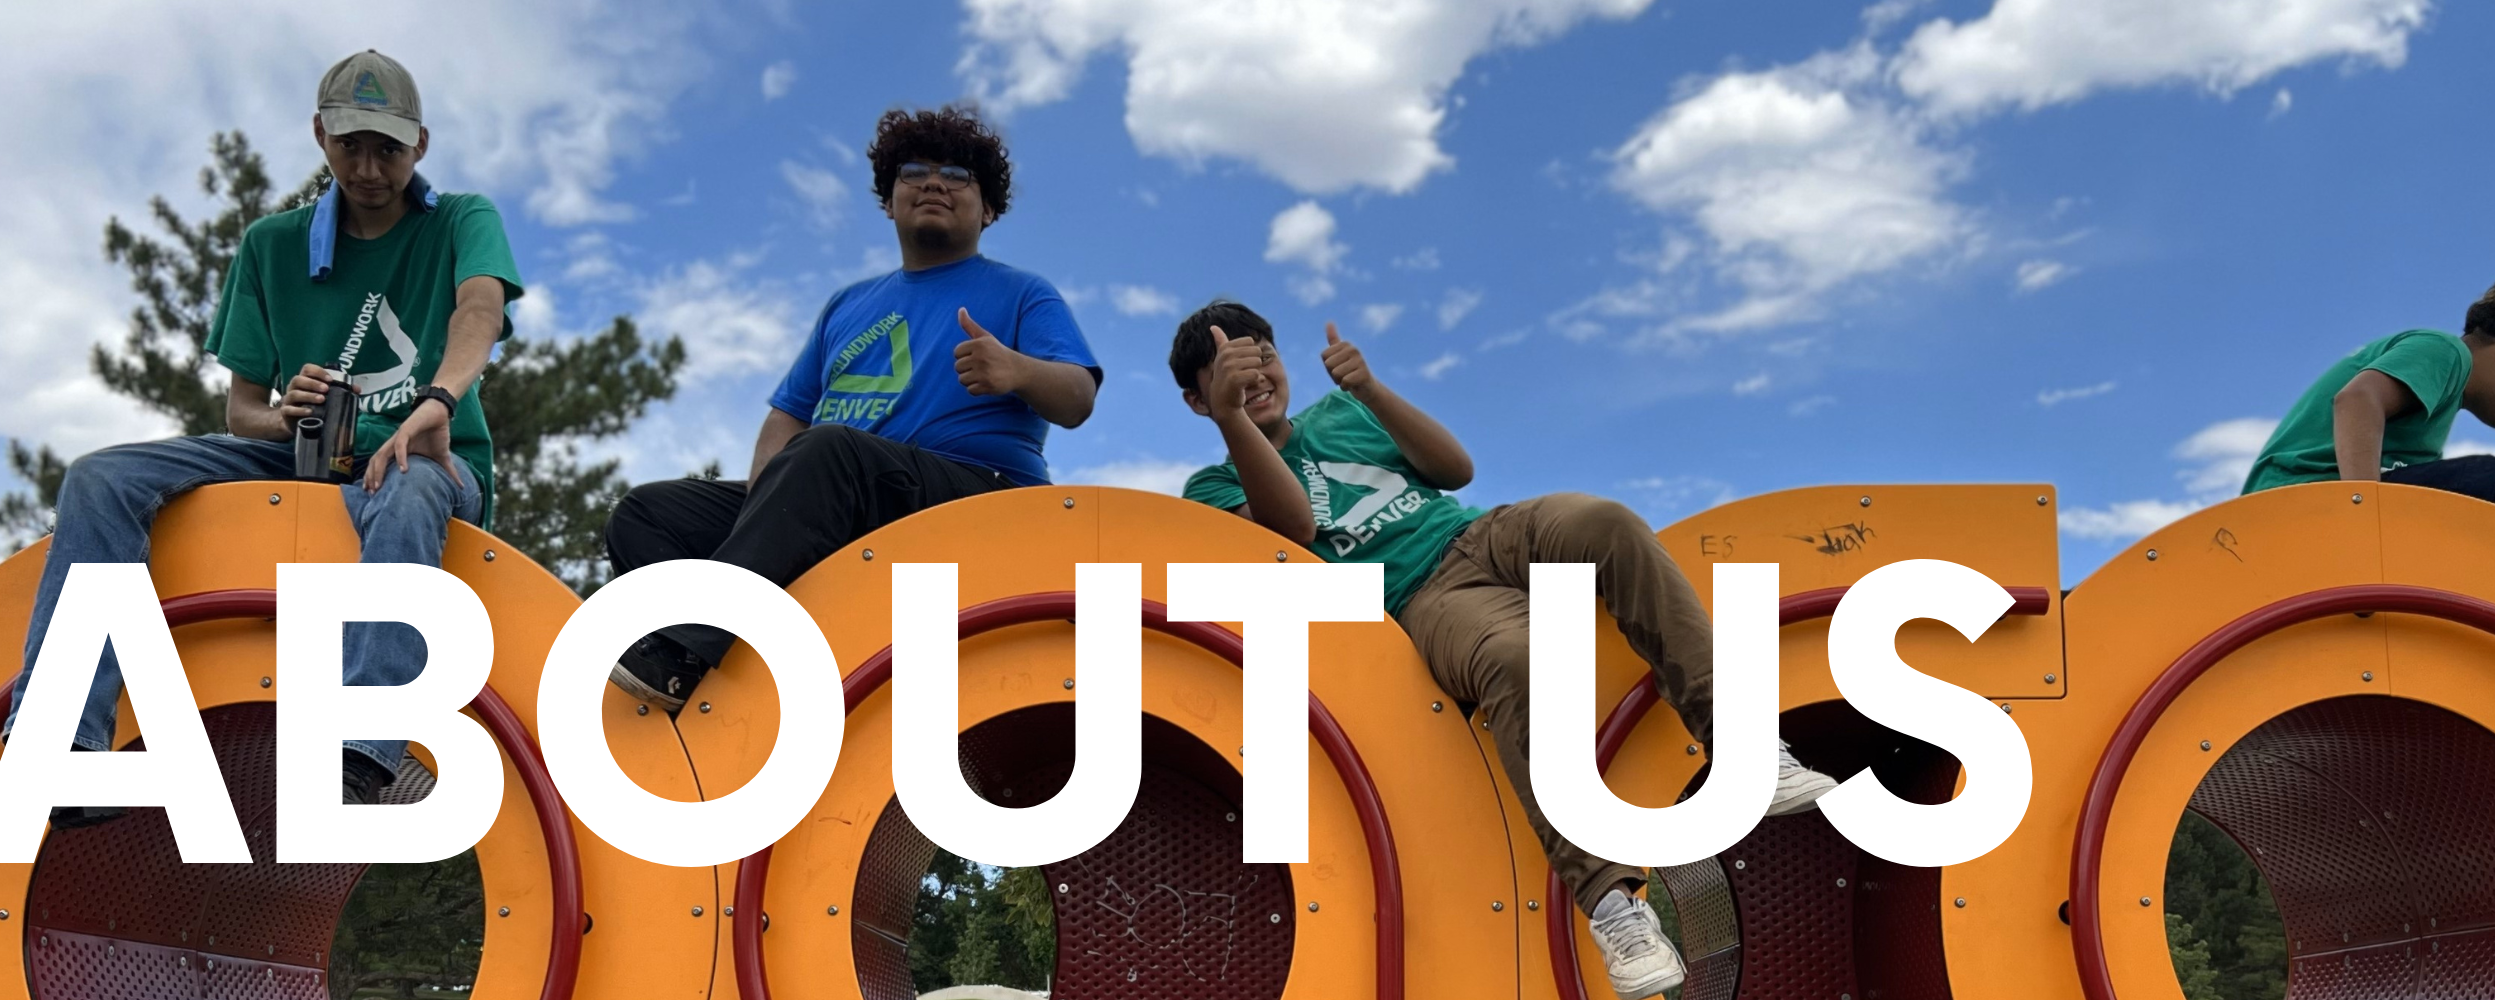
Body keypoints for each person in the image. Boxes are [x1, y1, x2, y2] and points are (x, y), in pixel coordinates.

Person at [1165, 300, 1836, 999]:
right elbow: (1294, 528)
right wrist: (1236, 418)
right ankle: (1614, 908)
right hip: (1417, 598)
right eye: (1231, 369)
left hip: (1483, 536)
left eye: (1264, 356)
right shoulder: (1212, 487)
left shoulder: (1343, 415)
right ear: (1196, 398)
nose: (1257, 374)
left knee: (1604, 521)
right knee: (1518, 660)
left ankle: (1747, 750)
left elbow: (1453, 470)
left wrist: (1368, 389)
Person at [0, 50, 518, 833]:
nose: (370, 165)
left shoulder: (460, 218)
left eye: (388, 147)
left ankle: (364, 752)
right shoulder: (273, 244)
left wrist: (439, 397)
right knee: (100, 479)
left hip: (431, 454)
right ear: (321, 136)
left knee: (407, 481)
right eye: (351, 144)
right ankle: (60, 751)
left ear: (421, 145)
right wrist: (284, 417)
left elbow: (480, 309)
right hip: (306, 455)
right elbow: (241, 412)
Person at [601, 105, 1100, 713]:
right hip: (836, 495)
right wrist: (765, 500)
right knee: (649, 512)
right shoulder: (849, 304)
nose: (935, 182)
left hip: (973, 500)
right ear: (889, 201)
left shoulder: (1022, 291)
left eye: (958, 174)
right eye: (914, 171)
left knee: (828, 451)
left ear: (988, 209)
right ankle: (723, 681)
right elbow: (787, 415)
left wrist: (1018, 370)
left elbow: (1078, 398)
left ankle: (689, 648)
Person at [2241, 274, 2495, 563]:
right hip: (2303, 503)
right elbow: (2357, 399)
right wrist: (2362, 515)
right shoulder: (2446, 351)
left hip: (2294, 514)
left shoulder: (2430, 422)